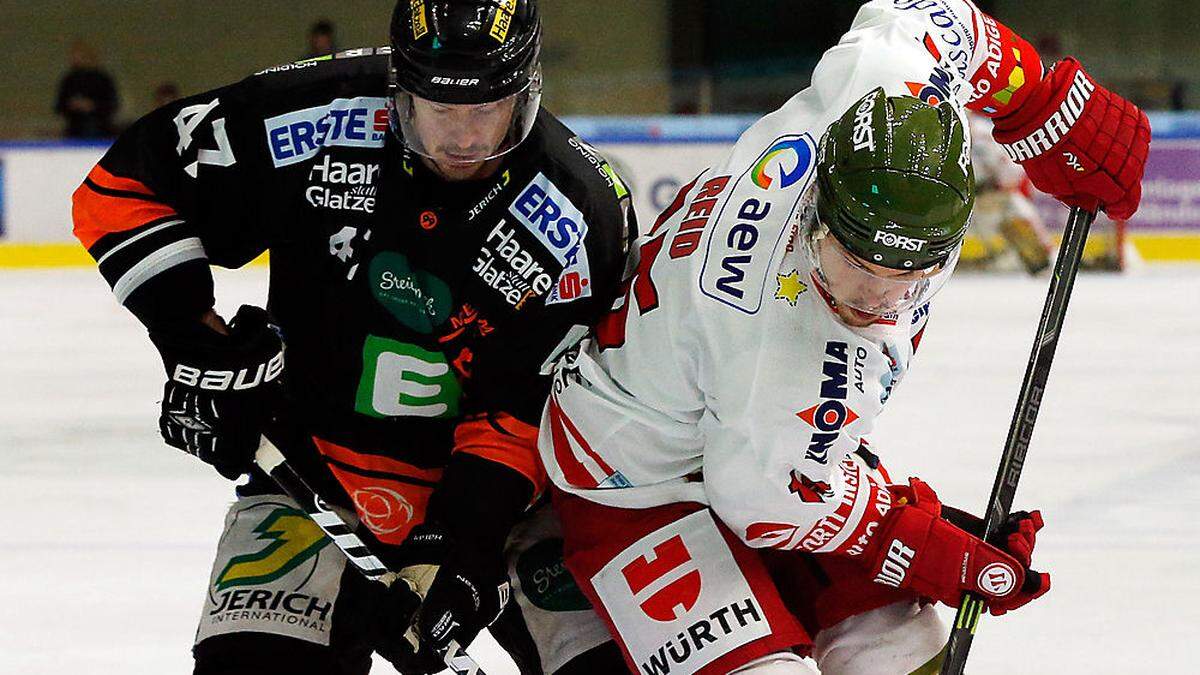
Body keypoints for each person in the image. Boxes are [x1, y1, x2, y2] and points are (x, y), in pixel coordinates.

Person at [538, 1, 1149, 674]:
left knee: (900, 649)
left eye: (908, 274)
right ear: (815, 213)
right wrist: (922, 540)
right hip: (635, 478)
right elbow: (761, 503)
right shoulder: (787, 347)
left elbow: (933, 19)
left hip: (741, 422)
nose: (874, 299)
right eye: (852, 263)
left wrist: (1039, 101)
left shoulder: (881, 90)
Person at [71, 1, 633, 673]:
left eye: (485, 109)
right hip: (314, 476)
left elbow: (525, 411)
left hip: (513, 508)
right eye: (438, 108)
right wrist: (196, 343)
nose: (462, 138)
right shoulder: (316, 113)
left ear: (526, 91)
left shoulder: (580, 213)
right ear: (400, 88)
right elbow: (123, 185)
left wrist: (465, 543)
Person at [54, 40, 119, 138]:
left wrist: (93, 106)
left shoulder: (103, 79)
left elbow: (112, 104)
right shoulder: (69, 80)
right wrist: (72, 105)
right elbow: (60, 105)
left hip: (101, 130)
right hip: (75, 130)